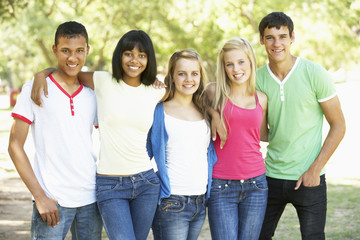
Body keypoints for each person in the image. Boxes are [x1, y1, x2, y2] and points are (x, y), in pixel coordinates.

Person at [32, 30, 166, 240]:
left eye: (142, 55)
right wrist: (41, 74)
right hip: (110, 185)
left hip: (146, 183)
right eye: (128, 53)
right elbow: (68, 70)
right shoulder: (103, 80)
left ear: (149, 59)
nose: (135, 60)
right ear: (119, 55)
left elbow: (191, 92)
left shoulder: (156, 91)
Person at [8, 21, 102, 240]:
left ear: (87, 50)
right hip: (52, 200)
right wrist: (40, 197)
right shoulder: (35, 88)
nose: (72, 58)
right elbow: (14, 146)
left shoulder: (93, 94)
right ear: (54, 50)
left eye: (79, 51)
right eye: (65, 51)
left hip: (91, 198)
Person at [256, 12, 346, 239]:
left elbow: (338, 125)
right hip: (270, 176)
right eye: (270, 37)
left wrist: (315, 169)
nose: (277, 43)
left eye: (282, 36)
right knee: (257, 236)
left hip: (309, 177)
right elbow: (264, 133)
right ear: (261, 39)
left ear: (292, 37)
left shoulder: (314, 73)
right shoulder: (256, 79)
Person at [147, 49, 217, 240]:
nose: (189, 79)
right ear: (172, 76)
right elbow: (144, 152)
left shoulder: (204, 110)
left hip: (200, 201)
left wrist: (214, 113)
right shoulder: (159, 109)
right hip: (172, 201)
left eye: (194, 73)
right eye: (182, 73)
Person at [206, 38, 268, 240]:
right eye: (229, 64)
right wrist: (214, 114)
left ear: (251, 61)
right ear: (223, 67)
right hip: (221, 185)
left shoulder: (262, 98)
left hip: (256, 184)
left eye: (241, 62)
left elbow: (261, 133)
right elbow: (189, 100)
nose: (236, 69)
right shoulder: (214, 92)